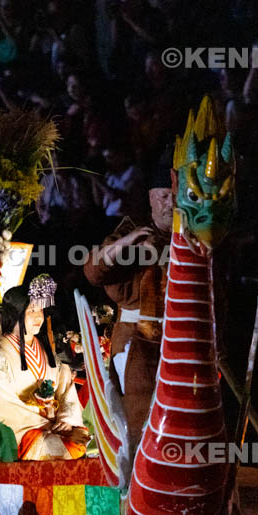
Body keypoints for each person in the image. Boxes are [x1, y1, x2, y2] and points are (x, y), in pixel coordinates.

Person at [83, 170, 171, 448]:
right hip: (138, 337)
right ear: (151, 199)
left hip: (179, 336)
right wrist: (128, 242)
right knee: (140, 408)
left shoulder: (191, 234)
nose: (170, 203)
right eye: (163, 196)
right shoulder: (133, 230)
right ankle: (137, 474)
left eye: (175, 196)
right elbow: (94, 271)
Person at [0, 275, 91, 460]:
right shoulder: (0, 357)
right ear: (16, 313)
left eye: (40, 310)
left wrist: (66, 419)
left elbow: (66, 390)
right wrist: (42, 421)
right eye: (31, 310)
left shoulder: (48, 352)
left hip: (53, 424)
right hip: (22, 431)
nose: (39, 316)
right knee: (65, 452)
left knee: (80, 444)